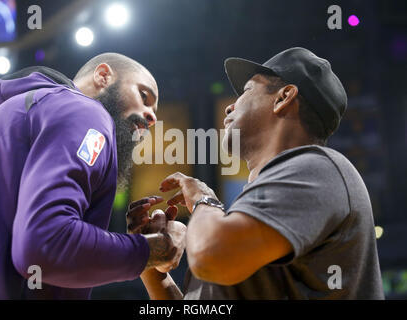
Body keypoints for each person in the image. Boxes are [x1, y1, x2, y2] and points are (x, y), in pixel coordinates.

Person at [128, 47, 385, 299]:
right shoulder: (254, 212)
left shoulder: (319, 168)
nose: (229, 107)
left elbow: (212, 255)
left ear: (283, 97)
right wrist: (151, 266)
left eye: (247, 91)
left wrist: (203, 199)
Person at [0, 53, 186, 299]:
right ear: (103, 76)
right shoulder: (86, 112)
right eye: (144, 97)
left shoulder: (30, 109)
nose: (152, 117)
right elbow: (43, 245)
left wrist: (141, 256)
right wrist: (148, 251)